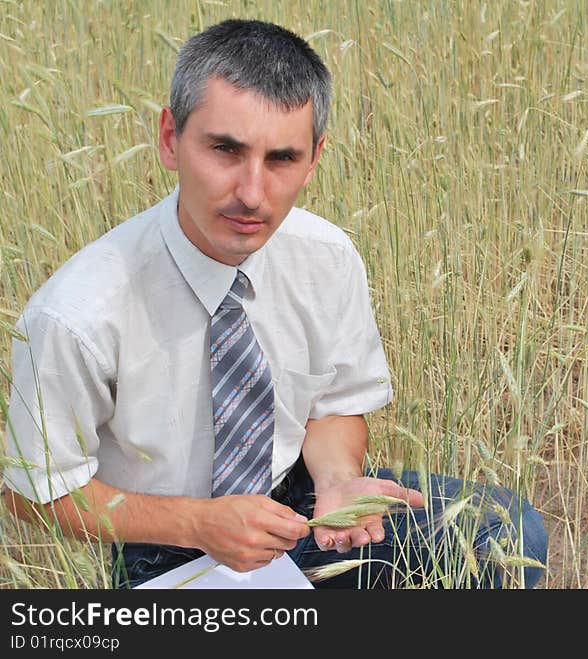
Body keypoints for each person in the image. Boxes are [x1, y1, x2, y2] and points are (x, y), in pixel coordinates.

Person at [2, 19, 547, 589]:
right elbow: (33, 491)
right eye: (225, 150)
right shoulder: (77, 311)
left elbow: (334, 403)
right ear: (169, 139)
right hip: (159, 543)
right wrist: (198, 524)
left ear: (314, 159)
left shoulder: (327, 257)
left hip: (297, 506)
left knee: (508, 533)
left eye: (282, 158)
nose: (252, 194)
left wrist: (336, 481)